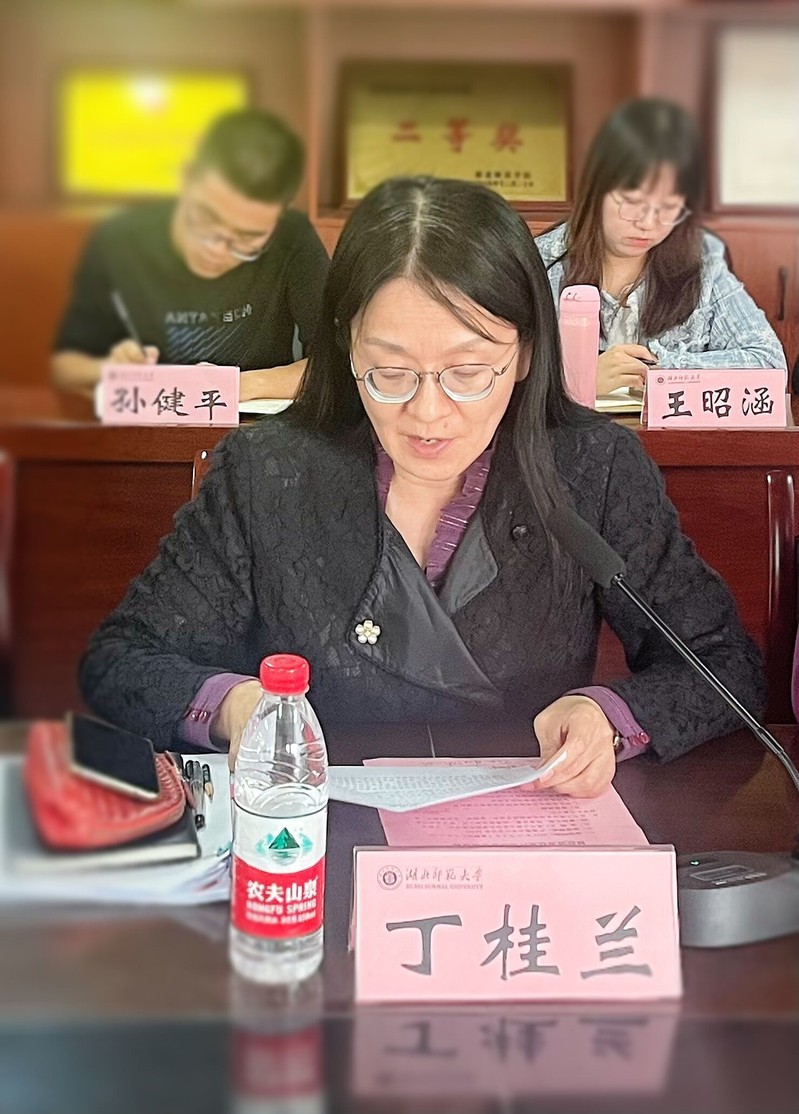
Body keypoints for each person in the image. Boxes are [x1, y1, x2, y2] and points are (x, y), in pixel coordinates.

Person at [79, 176, 764, 798]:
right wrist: (237, 707)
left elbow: (724, 666)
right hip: (310, 831)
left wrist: (607, 716)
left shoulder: (592, 467)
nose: (428, 413)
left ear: (527, 351)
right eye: (390, 371)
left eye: (468, 372)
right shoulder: (266, 471)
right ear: (346, 345)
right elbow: (122, 659)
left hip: (522, 833)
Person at [51, 109, 330, 402]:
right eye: (206, 219)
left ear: (279, 216)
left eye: (247, 238)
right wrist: (111, 369)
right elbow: (65, 366)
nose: (217, 250)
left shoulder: (292, 238)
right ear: (186, 179)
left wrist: (239, 386)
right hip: (151, 417)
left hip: (256, 423)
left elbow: (340, 364)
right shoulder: (121, 238)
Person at [535, 98, 786, 397]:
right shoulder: (541, 262)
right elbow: (504, 370)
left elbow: (769, 363)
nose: (647, 223)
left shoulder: (702, 260)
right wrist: (575, 379)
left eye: (668, 208)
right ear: (595, 190)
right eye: (631, 202)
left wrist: (661, 370)